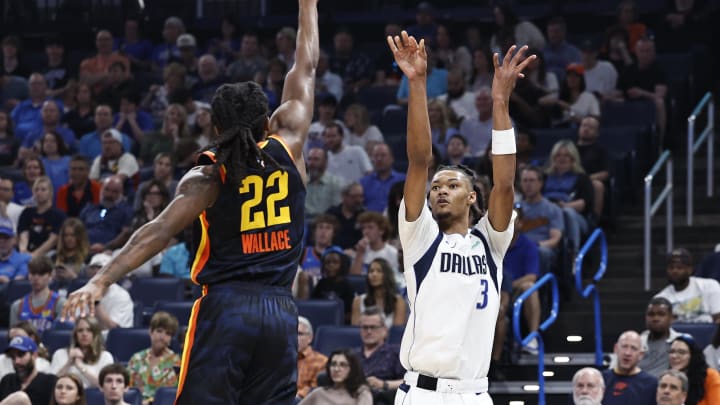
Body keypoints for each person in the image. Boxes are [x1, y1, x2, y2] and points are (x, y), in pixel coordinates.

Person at [63, 0, 319, 402]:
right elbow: (305, 65)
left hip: (227, 308)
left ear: (215, 126)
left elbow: (158, 231)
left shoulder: (207, 176)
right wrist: (308, 6)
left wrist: (100, 280)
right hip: (281, 310)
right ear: (267, 123)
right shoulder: (292, 144)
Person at [387, 31, 531, 404]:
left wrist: (500, 102)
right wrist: (417, 83)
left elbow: (504, 184)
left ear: (471, 197)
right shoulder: (420, 237)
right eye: (436, 187)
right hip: (425, 393)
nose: (438, 190)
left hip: (476, 393)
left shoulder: (490, 242)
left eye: (450, 185)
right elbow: (419, 160)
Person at [127, 311, 181, 403]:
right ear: (150, 332)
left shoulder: (177, 363)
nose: (162, 337)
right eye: (159, 331)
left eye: (168, 334)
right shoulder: (136, 359)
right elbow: (127, 390)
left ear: (171, 339)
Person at [654, 248, 720, 323]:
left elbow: (718, 318)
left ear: (690, 269)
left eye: (679, 267)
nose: (674, 271)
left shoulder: (709, 286)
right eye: (671, 267)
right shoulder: (661, 298)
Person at [355, 307, 405, 404]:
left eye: (373, 327)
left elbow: (408, 381)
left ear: (384, 330)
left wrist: (383, 384)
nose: (369, 331)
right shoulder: (352, 355)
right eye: (365, 327)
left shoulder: (396, 353)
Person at [49, 316, 114, 388]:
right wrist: (68, 363)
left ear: (95, 334)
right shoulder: (60, 354)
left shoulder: (105, 356)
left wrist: (81, 367)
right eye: (80, 330)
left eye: (89, 330)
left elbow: (105, 386)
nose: (84, 334)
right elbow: (51, 384)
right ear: (75, 334)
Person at [9, 255, 65, 332]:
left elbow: (59, 336)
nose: (36, 278)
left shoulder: (60, 303)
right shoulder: (17, 306)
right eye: (32, 273)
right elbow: (13, 337)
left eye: (41, 274)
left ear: (50, 275)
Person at [299, 348, 372, 405]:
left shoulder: (361, 393)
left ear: (353, 368)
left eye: (343, 365)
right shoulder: (319, 393)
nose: (336, 369)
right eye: (333, 364)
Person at [602, 330, 658, 404]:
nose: (627, 353)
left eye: (633, 348)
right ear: (616, 348)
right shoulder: (601, 379)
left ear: (641, 355)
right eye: (624, 346)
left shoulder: (652, 384)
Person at [17, 176, 66, 258]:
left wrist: (35, 255)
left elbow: (53, 240)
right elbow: (23, 234)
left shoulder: (59, 215)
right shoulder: (27, 212)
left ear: (50, 192)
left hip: (49, 253)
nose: (39, 193)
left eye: (43, 190)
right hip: (27, 251)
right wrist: (23, 251)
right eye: (36, 190)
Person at [0, 336, 57, 405]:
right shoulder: (7, 380)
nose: (16, 361)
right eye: (13, 357)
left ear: (34, 355)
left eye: (21, 355)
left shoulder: (49, 381)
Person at [351, 258, 407, 327]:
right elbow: (355, 331)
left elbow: (396, 333)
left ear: (387, 275)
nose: (374, 274)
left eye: (379, 271)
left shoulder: (399, 302)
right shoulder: (358, 301)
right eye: (371, 271)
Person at [669, 334, 720, 405]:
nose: (674, 356)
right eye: (672, 352)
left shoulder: (710, 376)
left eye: (681, 352)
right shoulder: (667, 378)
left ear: (692, 356)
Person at [639, 297, 682, 378]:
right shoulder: (637, 342)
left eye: (661, 314)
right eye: (651, 314)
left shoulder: (682, 342)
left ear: (671, 318)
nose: (655, 318)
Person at [296, 316, 327, 401]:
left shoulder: (322, 361)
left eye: (299, 334)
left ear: (310, 338)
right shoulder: (281, 359)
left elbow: (315, 389)